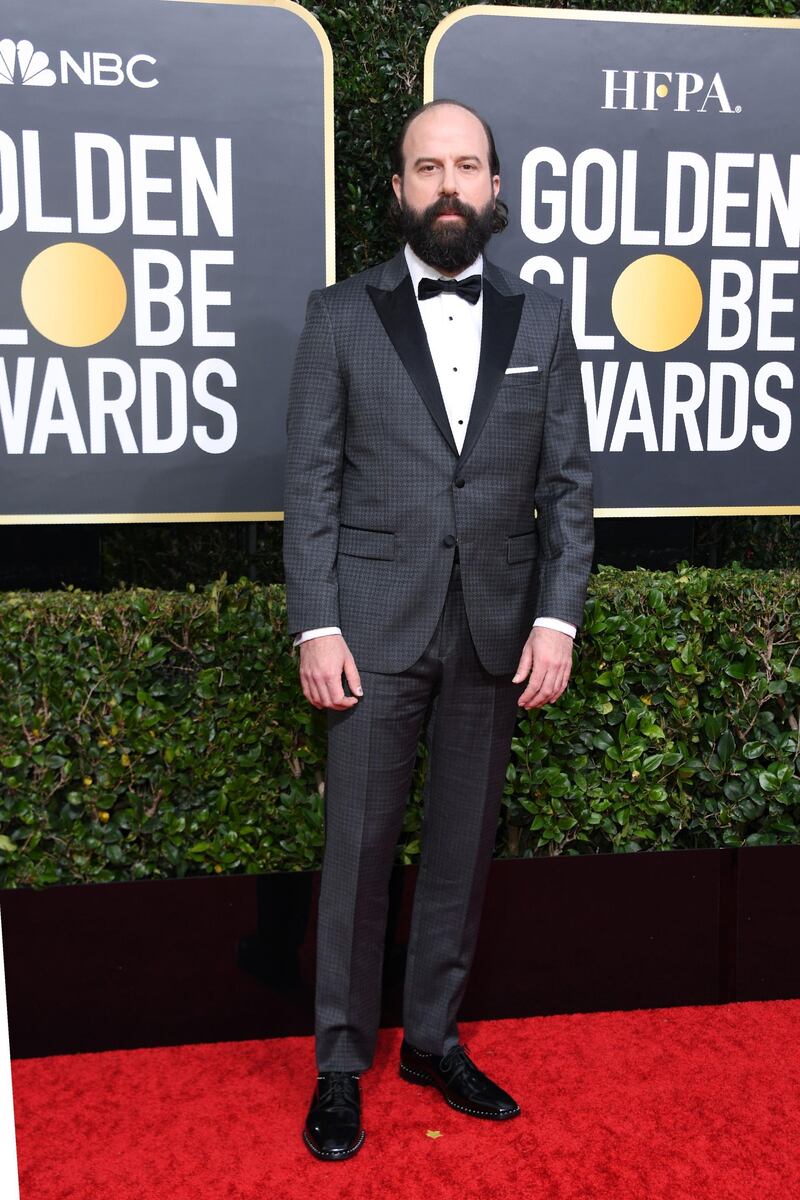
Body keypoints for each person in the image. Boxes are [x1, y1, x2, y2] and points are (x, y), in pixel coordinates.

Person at [283, 98, 594, 1161]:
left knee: (459, 851)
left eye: (466, 166)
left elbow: (567, 489)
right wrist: (314, 626)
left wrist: (556, 618)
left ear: (496, 188)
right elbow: (310, 488)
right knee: (357, 854)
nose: (448, 185)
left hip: (496, 631)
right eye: (428, 168)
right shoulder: (338, 316)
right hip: (369, 625)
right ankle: (337, 1063)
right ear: (398, 191)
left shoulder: (539, 320)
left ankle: (428, 1041)